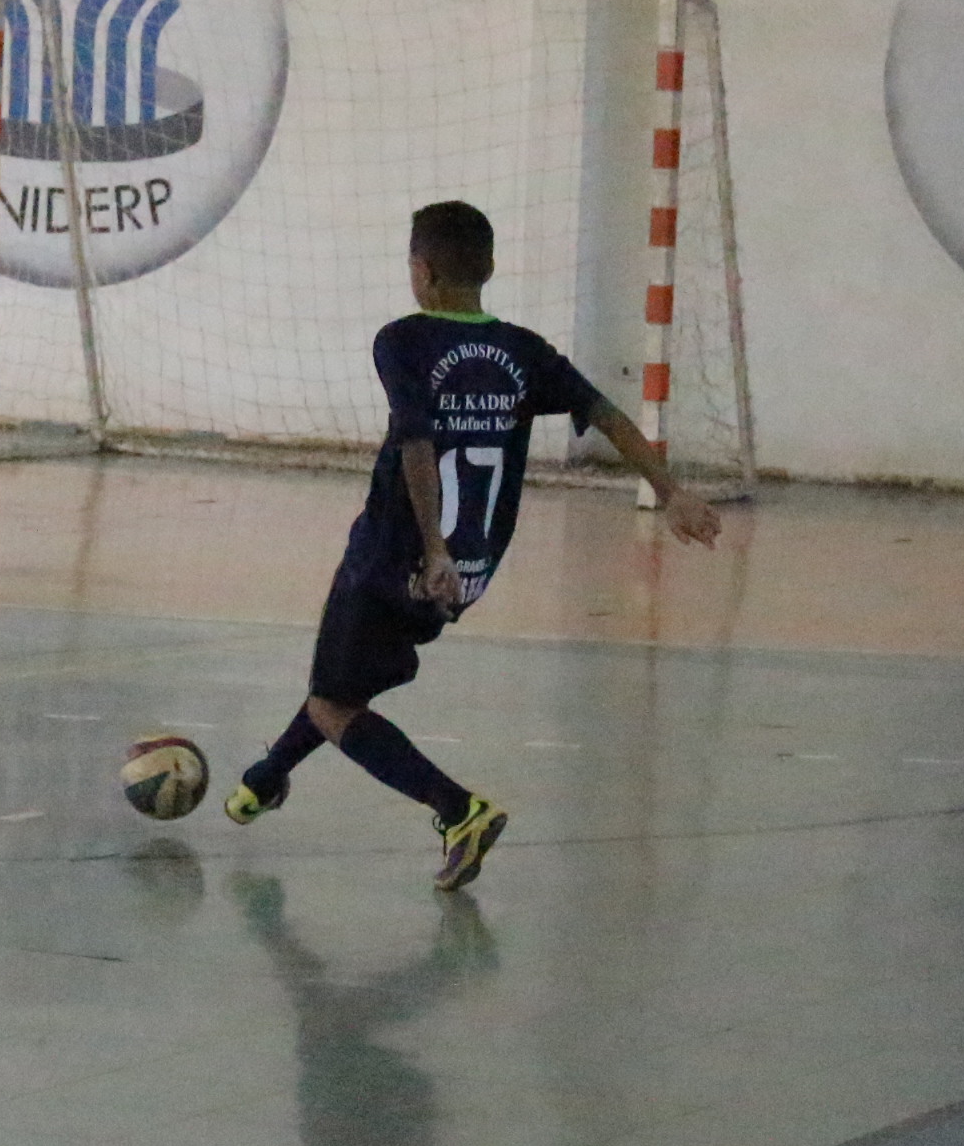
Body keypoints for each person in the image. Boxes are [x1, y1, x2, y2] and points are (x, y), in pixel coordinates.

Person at [224, 201, 724, 892]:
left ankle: (458, 810)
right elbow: (606, 413)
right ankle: (267, 778)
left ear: (421, 271)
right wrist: (671, 493)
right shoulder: (523, 351)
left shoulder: (402, 341)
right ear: (487, 269)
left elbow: (417, 440)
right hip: (471, 569)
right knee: (344, 683)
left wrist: (429, 549)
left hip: (398, 559)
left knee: (333, 705)